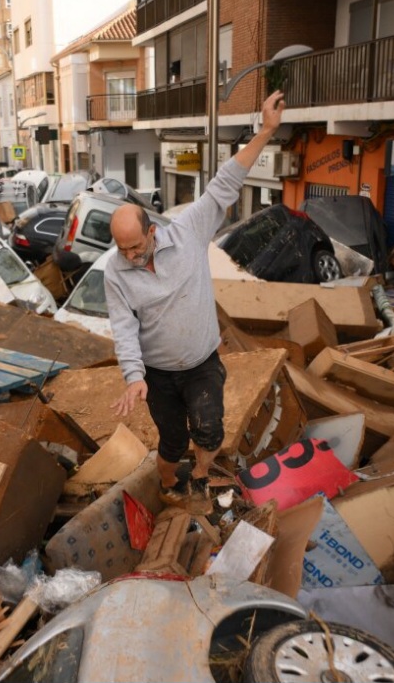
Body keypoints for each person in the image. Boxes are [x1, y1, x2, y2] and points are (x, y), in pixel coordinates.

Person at [105, 90, 287, 506]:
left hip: (203, 362)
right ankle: (170, 486)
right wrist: (134, 377)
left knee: (209, 430)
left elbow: (225, 183)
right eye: (123, 250)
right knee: (171, 439)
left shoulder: (187, 231)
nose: (130, 257)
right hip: (158, 373)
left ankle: (201, 475)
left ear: (151, 232)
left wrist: (265, 131)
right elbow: (123, 326)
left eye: (136, 247)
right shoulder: (115, 271)